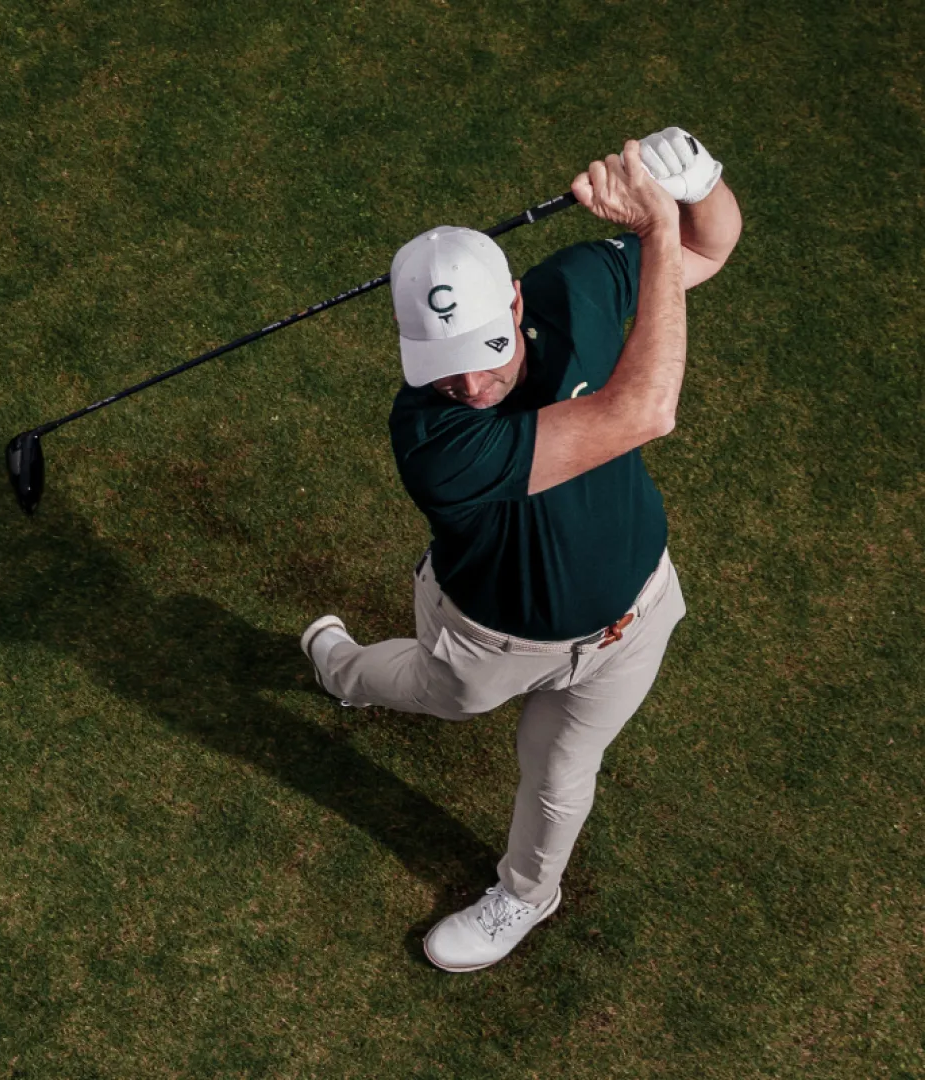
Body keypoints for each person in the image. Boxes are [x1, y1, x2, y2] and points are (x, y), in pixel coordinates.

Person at [301, 128, 742, 972]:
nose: (467, 385)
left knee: (560, 776)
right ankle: (343, 670)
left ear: (513, 302)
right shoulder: (431, 437)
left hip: (633, 620)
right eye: (442, 366)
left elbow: (710, 247)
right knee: (442, 690)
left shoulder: (574, 285)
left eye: (481, 353)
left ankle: (527, 898)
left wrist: (696, 182)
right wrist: (653, 231)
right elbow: (645, 412)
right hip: (492, 636)